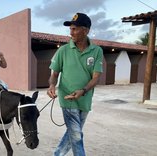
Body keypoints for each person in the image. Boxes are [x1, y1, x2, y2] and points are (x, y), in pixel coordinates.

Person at [47, 13, 103, 156]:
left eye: (75, 29)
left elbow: (96, 78)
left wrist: (83, 91)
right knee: (76, 135)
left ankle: (57, 154)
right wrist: (52, 86)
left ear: (86, 30)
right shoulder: (63, 50)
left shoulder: (96, 51)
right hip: (67, 99)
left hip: (84, 99)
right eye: (70, 29)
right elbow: (54, 75)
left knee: (73, 133)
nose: (71, 32)